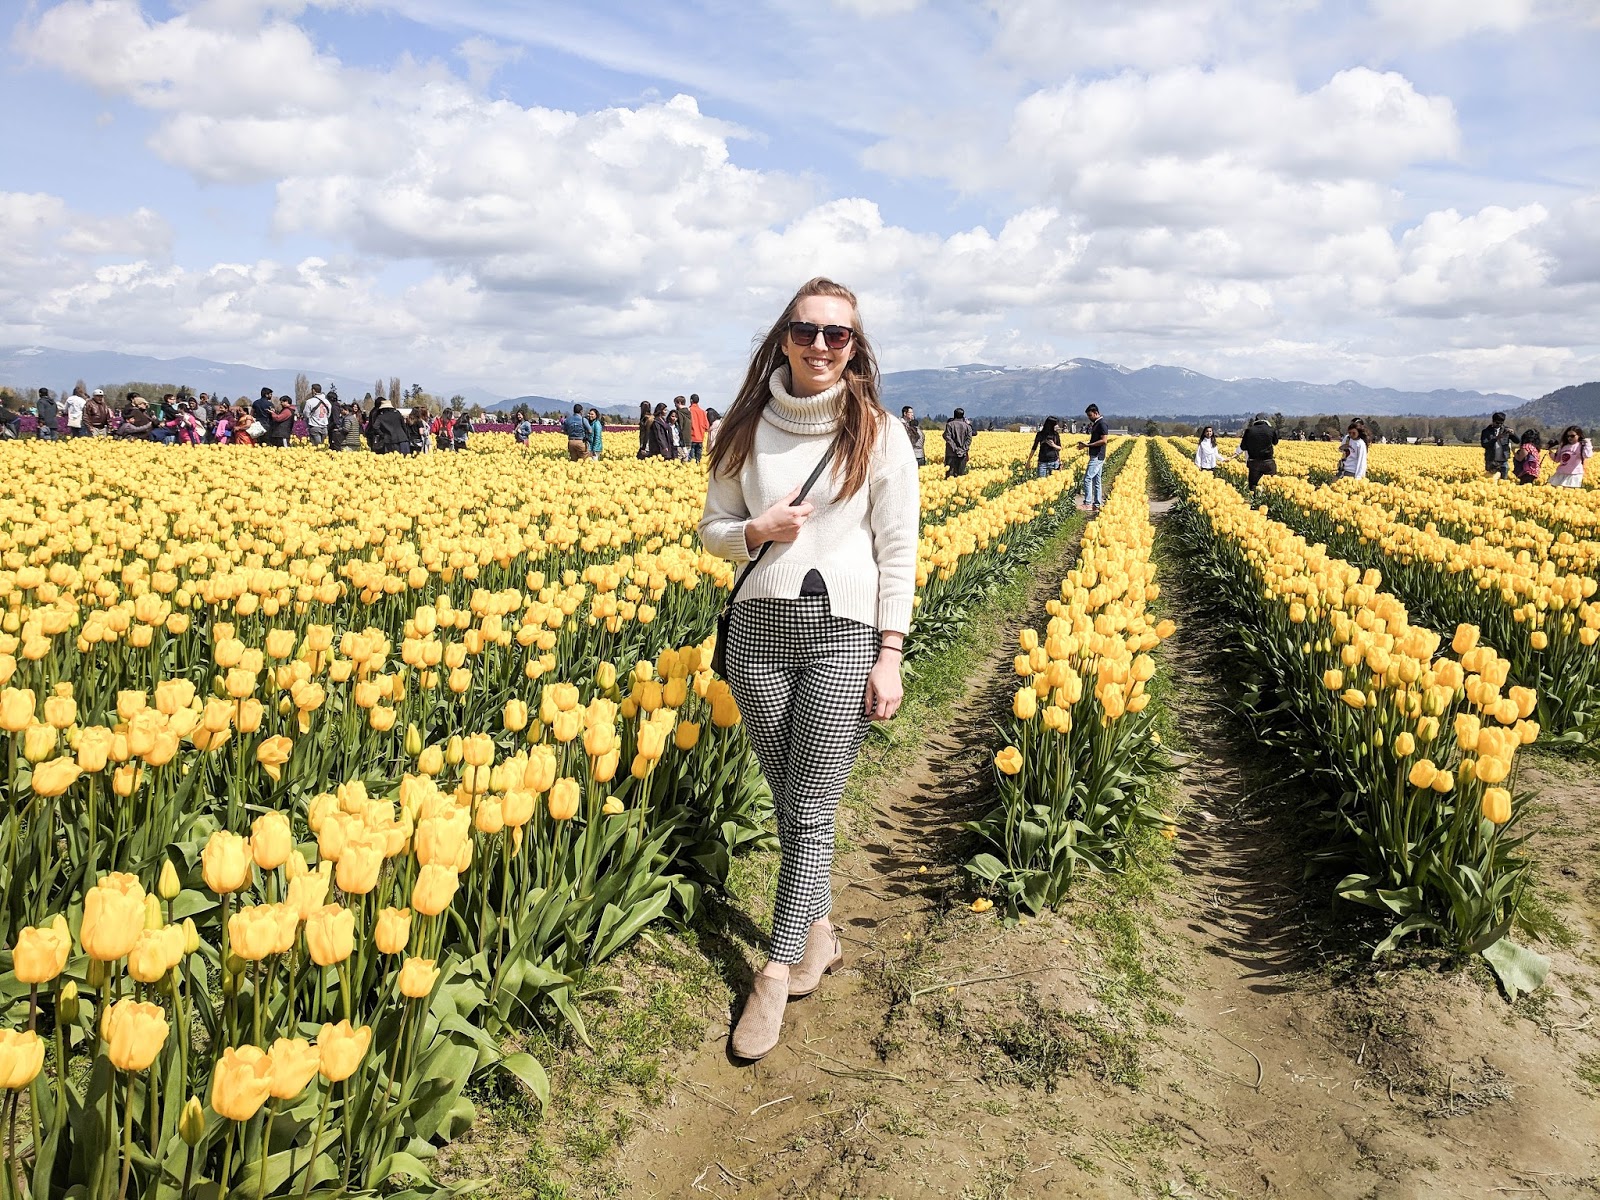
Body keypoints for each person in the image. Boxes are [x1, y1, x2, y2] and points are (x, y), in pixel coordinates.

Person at [698, 276, 918, 1062]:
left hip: (843, 635)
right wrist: (754, 530)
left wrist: (890, 652)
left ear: (855, 347)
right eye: (806, 330)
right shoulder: (744, 425)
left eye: (837, 334)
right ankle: (820, 932)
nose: (820, 345)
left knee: (812, 805)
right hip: (757, 634)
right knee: (790, 797)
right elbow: (711, 527)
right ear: (784, 336)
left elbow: (899, 548)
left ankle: (775, 969)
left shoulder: (879, 432)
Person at [1237, 412, 1279, 491]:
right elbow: (1275, 442)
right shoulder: (1271, 430)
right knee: (1270, 485)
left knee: (1253, 486)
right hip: (1268, 462)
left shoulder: (1249, 430)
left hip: (1254, 462)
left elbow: (1243, 446)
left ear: (1256, 420)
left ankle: (1254, 497)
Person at [1079, 404, 1108, 510]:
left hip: (1097, 455)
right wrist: (1086, 445)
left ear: (1096, 413)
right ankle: (1096, 504)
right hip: (1097, 455)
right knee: (1097, 480)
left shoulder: (1102, 424)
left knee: (1087, 478)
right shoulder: (1097, 423)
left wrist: (1088, 445)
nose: (1089, 418)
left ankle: (1087, 503)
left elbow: (1104, 440)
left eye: (1090, 415)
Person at [942, 407, 973, 478]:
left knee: (950, 476)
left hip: (951, 454)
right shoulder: (967, 427)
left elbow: (948, 437)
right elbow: (969, 440)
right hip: (962, 455)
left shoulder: (949, 425)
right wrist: (962, 450)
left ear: (954, 415)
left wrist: (955, 449)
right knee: (960, 476)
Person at [1480, 412, 1512, 479]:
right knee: (1491, 480)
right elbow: (1484, 444)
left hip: (1503, 461)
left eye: (1501, 423)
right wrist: (1496, 438)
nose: (1499, 425)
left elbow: (1517, 441)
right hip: (1491, 460)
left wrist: (1513, 433)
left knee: (1504, 481)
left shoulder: (1505, 430)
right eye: (1497, 423)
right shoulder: (1486, 431)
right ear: (1493, 421)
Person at [689, 394, 709, 462]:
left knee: (691, 461)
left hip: (692, 437)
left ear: (691, 400)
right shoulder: (702, 412)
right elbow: (707, 426)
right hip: (700, 438)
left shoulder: (689, 410)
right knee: (698, 461)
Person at [674, 394, 693, 461]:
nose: (675, 405)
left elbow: (679, 427)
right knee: (686, 460)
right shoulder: (689, 413)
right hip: (688, 439)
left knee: (678, 461)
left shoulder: (679, 413)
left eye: (675, 403)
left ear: (679, 403)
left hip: (680, 441)